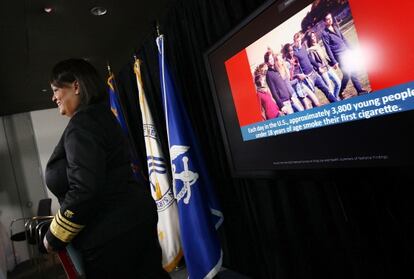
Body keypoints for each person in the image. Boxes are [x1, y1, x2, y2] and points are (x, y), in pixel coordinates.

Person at [43, 58, 170, 279]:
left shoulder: (81, 125)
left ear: (75, 86)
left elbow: (85, 190)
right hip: (134, 220)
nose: (53, 97)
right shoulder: (102, 116)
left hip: (109, 235)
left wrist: (54, 235)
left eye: (56, 90)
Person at [321, 12, 368, 98]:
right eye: (328, 19)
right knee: (347, 74)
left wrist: (351, 48)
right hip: (339, 56)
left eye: (330, 18)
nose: (330, 20)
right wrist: (334, 61)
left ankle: (358, 90)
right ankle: (343, 91)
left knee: (352, 72)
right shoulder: (324, 34)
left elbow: (343, 39)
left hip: (347, 52)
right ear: (324, 22)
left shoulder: (335, 27)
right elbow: (328, 49)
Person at [292, 32, 338, 103]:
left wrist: (318, 66)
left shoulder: (303, 48)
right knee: (314, 100)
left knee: (326, 89)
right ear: (294, 41)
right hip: (307, 78)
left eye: (299, 40)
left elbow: (310, 58)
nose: (299, 42)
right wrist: (299, 75)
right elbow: (295, 68)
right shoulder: (294, 53)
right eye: (297, 41)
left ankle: (336, 103)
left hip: (314, 73)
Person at [281, 43, 320, 108]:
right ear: (286, 53)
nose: (291, 52)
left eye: (292, 50)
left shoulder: (294, 59)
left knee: (316, 102)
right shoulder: (286, 64)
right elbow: (288, 80)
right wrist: (297, 76)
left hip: (302, 84)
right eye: (289, 51)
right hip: (296, 87)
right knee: (307, 107)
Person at [264, 50, 304, 114]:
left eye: (272, 58)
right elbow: (273, 92)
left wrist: (290, 96)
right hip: (284, 103)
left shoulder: (276, 70)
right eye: (269, 59)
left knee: (301, 112)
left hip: (290, 99)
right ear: (267, 63)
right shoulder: (268, 75)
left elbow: (284, 85)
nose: (271, 60)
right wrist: (281, 105)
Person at [306, 31, 341, 100]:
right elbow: (313, 63)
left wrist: (332, 63)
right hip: (322, 71)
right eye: (311, 37)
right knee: (329, 88)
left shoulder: (318, 45)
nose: (313, 38)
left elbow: (324, 57)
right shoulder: (310, 50)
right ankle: (335, 102)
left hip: (328, 67)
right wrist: (319, 69)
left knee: (338, 83)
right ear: (309, 39)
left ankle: (336, 98)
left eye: (314, 36)